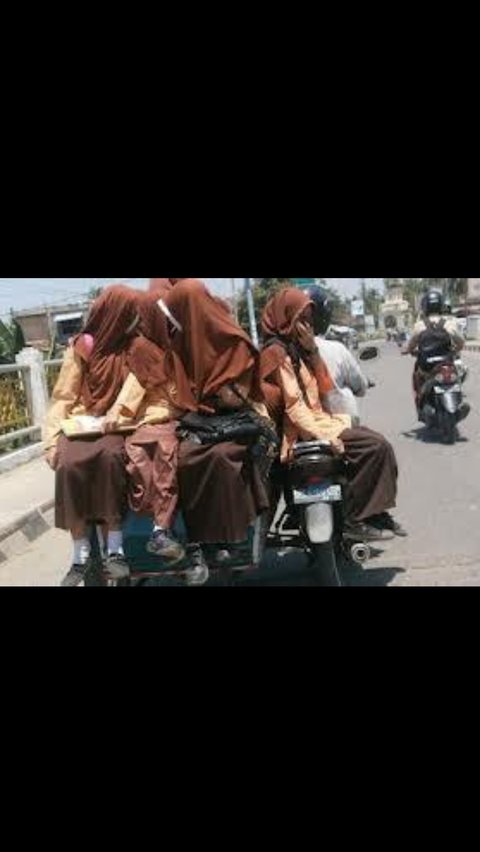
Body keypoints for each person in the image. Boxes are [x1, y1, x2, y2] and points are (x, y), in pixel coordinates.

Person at [260, 288, 406, 541]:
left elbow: (326, 390)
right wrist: (325, 437)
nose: (306, 325)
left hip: (318, 422)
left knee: (376, 442)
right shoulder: (276, 353)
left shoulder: (297, 349)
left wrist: (312, 352)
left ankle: (374, 512)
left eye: (308, 319)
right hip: (301, 432)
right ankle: (355, 518)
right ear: (286, 318)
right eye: (300, 318)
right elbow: (294, 407)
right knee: (375, 446)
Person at [164, 279, 273, 583]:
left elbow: (238, 393)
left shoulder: (234, 341)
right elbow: (174, 391)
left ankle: (226, 538)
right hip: (198, 423)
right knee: (185, 459)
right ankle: (201, 541)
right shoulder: (180, 343)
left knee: (225, 459)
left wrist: (215, 391)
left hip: (233, 420)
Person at [43, 285, 142, 586]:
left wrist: (117, 414)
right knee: (68, 463)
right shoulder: (82, 346)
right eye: (129, 312)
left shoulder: (135, 346)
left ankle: (115, 550)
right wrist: (51, 440)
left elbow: (135, 388)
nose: (134, 318)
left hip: (117, 425)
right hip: (82, 423)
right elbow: (63, 396)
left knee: (111, 458)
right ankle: (80, 555)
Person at [105, 290, 189, 568]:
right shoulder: (142, 349)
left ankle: (160, 530)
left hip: (171, 418)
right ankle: (152, 525)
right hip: (145, 419)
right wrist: (116, 413)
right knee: (137, 454)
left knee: (166, 454)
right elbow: (135, 385)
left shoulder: (175, 345)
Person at [302, 284, 369, 420]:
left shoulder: (281, 350)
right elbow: (360, 388)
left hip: (300, 429)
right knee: (378, 442)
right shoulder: (336, 349)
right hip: (339, 426)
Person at [403, 289, 466, 418]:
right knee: (457, 375)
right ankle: (458, 400)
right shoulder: (449, 324)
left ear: (425, 306)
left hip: (426, 367)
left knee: (417, 376)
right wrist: (455, 350)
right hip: (446, 363)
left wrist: (408, 350)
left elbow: (411, 345)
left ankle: (420, 401)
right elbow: (460, 342)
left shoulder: (419, 326)